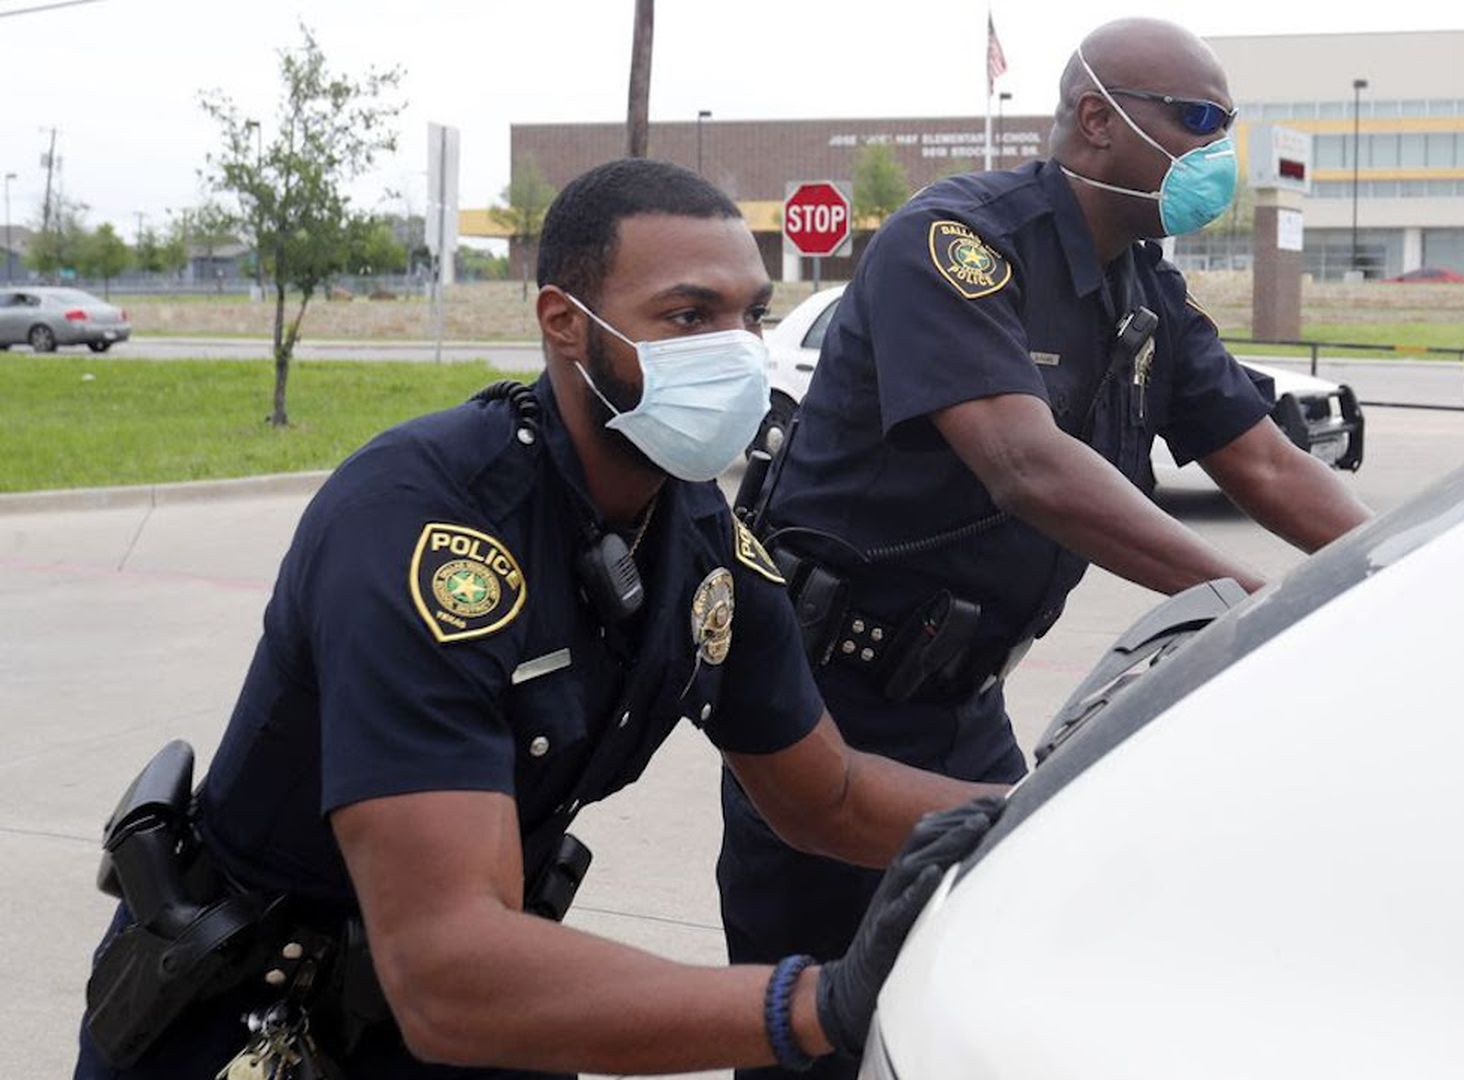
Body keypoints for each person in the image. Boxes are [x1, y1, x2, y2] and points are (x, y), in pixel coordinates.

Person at [74, 158, 1003, 1080]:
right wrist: (815, 1005)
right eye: (688, 317)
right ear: (564, 324)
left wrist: (1044, 819)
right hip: (254, 1013)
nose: (738, 351)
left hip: (468, 998)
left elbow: (824, 795)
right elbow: (446, 970)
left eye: (749, 315)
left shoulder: (696, 531)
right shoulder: (422, 523)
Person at [722, 18, 1372, 1078]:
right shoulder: (960, 241)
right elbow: (1023, 462)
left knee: (981, 987)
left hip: (965, 706)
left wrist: (1408, 570)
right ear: (1095, 121)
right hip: (827, 703)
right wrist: (1251, 603)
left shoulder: (1145, 291)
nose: (1219, 152)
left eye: (1227, 127)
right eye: (1199, 122)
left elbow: (1263, 464)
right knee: (820, 1030)